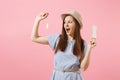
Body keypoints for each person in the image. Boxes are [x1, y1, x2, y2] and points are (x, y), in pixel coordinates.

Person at [31, 10, 96, 80]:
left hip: (74, 77)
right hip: (57, 77)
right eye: (64, 22)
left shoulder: (83, 44)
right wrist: (37, 20)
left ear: (77, 25)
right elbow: (34, 38)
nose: (66, 25)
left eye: (70, 22)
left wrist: (89, 48)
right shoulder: (57, 39)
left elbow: (83, 67)